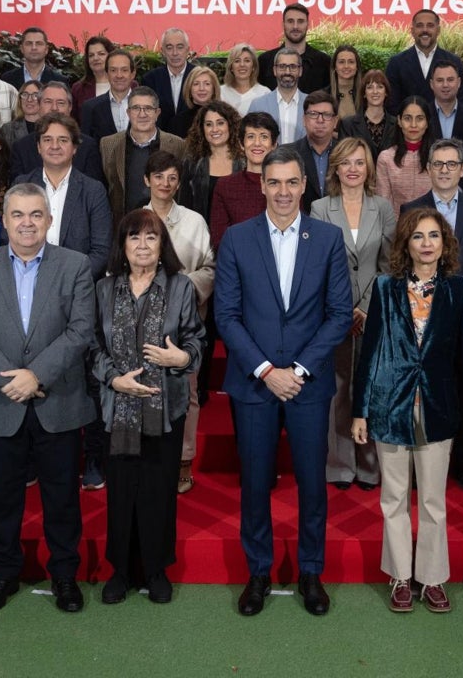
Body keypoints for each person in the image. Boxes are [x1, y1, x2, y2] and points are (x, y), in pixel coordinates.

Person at [215, 147, 353, 617]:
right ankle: (258, 572)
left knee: (313, 485)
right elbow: (226, 316)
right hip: (254, 385)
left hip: (307, 384)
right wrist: (266, 372)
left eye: (291, 182)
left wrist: (296, 371)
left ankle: (311, 572)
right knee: (255, 484)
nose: (282, 192)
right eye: (273, 182)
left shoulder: (329, 238)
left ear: (304, 185)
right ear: (262, 186)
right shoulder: (235, 238)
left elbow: (338, 316)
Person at [0, 183, 97, 615]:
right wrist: (11, 379)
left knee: (61, 498)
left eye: (36, 214)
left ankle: (64, 577)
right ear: (4, 220)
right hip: (1, 403)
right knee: (2, 499)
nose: (27, 223)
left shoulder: (74, 265)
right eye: (17, 214)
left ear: (49, 220)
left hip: (58, 399)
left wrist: (36, 374)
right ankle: (3, 575)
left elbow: (81, 329)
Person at [352, 208, 463, 613]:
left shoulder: (460, 289)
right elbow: (371, 352)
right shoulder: (384, 288)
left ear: (445, 244)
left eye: (434, 236)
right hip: (389, 407)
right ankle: (399, 576)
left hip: (439, 407)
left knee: (432, 500)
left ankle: (431, 578)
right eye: (418, 236)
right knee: (393, 497)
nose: (427, 243)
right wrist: (360, 410)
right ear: (405, 244)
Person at [93, 208, 205, 604]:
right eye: (134, 237)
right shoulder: (103, 290)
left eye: (151, 237)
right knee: (121, 492)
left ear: (163, 246)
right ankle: (121, 571)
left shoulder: (181, 288)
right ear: (122, 247)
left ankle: (157, 570)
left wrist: (183, 359)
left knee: (158, 492)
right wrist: (113, 378)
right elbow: (93, 347)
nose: (142, 245)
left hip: (165, 409)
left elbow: (196, 341)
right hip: (116, 409)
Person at [401, 138, 463, 489]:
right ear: (427, 169)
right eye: (437, 164)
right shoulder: (411, 207)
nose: (444, 170)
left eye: (451, 164)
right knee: (421, 386)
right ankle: (417, 461)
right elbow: (404, 258)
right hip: (419, 311)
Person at [311, 137, 395, 492]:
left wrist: (366, 307)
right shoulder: (319, 208)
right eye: (346, 162)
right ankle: (341, 465)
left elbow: (390, 265)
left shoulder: (384, 208)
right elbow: (320, 268)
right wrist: (345, 309)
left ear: (369, 167)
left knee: (372, 389)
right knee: (339, 390)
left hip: (374, 312)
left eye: (360, 162)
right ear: (336, 168)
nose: (353, 169)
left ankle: (371, 466)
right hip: (335, 313)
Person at [142, 151, 216, 495]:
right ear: (147, 180)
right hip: (143, 321)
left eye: (172, 177)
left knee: (187, 394)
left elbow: (210, 269)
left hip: (185, 321)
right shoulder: (135, 219)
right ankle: (148, 458)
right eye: (159, 177)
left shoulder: (194, 221)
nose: (165, 183)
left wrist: (182, 287)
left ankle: (184, 461)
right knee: (144, 390)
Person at [13, 112, 112, 280]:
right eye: (47, 140)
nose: (55, 146)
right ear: (38, 146)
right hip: (27, 282)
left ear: (74, 148)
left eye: (63, 140)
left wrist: (71, 281)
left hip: (77, 287)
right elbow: (10, 238)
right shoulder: (21, 186)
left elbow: (101, 251)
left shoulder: (93, 191)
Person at [98, 86, 187, 219]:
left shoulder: (177, 145)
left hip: (166, 226)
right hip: (122, 227)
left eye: (148, 109)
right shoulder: (108, 145)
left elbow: (182, 190)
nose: (142, 114)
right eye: (136, 108)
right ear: (128, 113)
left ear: (157, 113)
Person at [209, 112, 278, 250]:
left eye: (264, 137)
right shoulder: (225, 186)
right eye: (251, 137)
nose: (257, 143)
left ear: (274, 144)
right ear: (241, 144)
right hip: (236, 264)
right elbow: (219, 240)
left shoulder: (285, 185)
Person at [384, 9, 463, 113]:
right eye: (419, 26)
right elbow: (391, 104)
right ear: (412, 31)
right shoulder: (396, 63)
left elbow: (462, 102)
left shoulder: (454, 62)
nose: (425, 30)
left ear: (438, 30)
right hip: (408, 127)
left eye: (430, 25)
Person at [180, 100, 244, 220]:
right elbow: (184, 205)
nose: (214, 129)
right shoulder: (192, 162)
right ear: (202, 128)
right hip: (200, 234)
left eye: (220, 123)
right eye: (209, 124)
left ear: (230, 125)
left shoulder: (245, 161)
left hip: (237, 233)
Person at [376, 97, 434, 218]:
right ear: (399, 121)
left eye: (420, 119)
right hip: (397, 229)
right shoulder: (386, 158)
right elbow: (384, 202)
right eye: (407, 118)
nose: (413, 125)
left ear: (427, 122)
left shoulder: (437, 157)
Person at [257, 2, 331, 94]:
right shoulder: (265, 62)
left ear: (307, 25)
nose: (295, 26)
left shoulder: (324, 62)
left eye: (300, 21)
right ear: (283, 24)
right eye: (290, 21)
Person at [285, 90, 339, 213]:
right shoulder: (287, 154)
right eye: (313, 114)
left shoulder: (346, 152)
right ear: (304, 120)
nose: (320, 120)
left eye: (326, 115)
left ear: (335, 121)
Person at [248, 47, 308, 145]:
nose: (287, 72)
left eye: (293, 67)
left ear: (300, 71)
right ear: (275, 70)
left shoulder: (311, 105)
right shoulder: (258, 105)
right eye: (282, 66)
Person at [143, 28, 198, 132]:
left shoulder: (198, 76)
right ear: (162, 51)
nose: (175, 53)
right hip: (160, 142)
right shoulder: (150, 79)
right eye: (169, 48)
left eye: (180, 47)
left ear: (188, 50)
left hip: (193, 140)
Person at [340, 69, 398, 161]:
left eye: (380, 87)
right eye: (370, 87)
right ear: (364, 93)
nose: (375, 91)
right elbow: (343, 158)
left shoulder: (397, 124)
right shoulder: (348, 125)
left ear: (386, 92)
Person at [80, 49, 137, 140]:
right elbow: (86, 146)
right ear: (107, 74)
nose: (119, 75)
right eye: (113, 70)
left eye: (124, 70)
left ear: (133, 74)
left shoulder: (147, 105)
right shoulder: (90, 107)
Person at [427, 60, 463, 142]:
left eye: (450, 80)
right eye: (440, 80)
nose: (445, 85)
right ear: (432, 84)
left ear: (458, 82)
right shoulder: (423, 116)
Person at [169, 65, 220, 139]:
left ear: (214, 88)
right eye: (196, 84)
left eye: (207, 84)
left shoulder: (226, 116)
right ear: (189, 88)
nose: (201, 88)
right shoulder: (177, 122)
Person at [220, 42, 270, 116]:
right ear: (231, 67)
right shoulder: (221, 92)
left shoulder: (264, 93)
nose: (242, 65)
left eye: (247, 61)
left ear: (253, 66)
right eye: (237, 61)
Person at [70, 35, 115, 112]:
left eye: (101, 54)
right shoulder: (78, 89)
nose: (96, 58)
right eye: (91, 55)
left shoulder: (130, 85)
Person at [329, 45, 363, 119]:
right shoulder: (324, 95)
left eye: (351, 62)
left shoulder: (365, 95)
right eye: (341, 62)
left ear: (357, 66)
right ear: (335, 66)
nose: (346, 66)